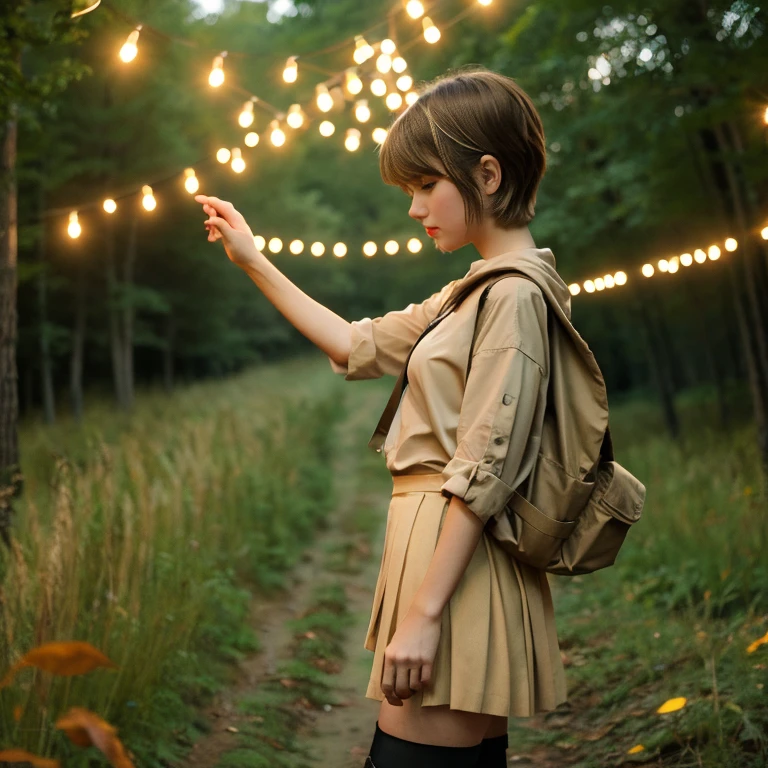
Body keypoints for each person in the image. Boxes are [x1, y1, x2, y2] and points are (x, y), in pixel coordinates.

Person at [196, 66, 576, 768]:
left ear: (487, 175)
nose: (414, 209)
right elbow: (356, 344)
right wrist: (253, 259)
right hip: (442, 553)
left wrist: (426, 615)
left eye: (425, 186)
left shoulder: (514, 298)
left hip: (456, 561)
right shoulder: (472, 291)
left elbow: (484, 469)